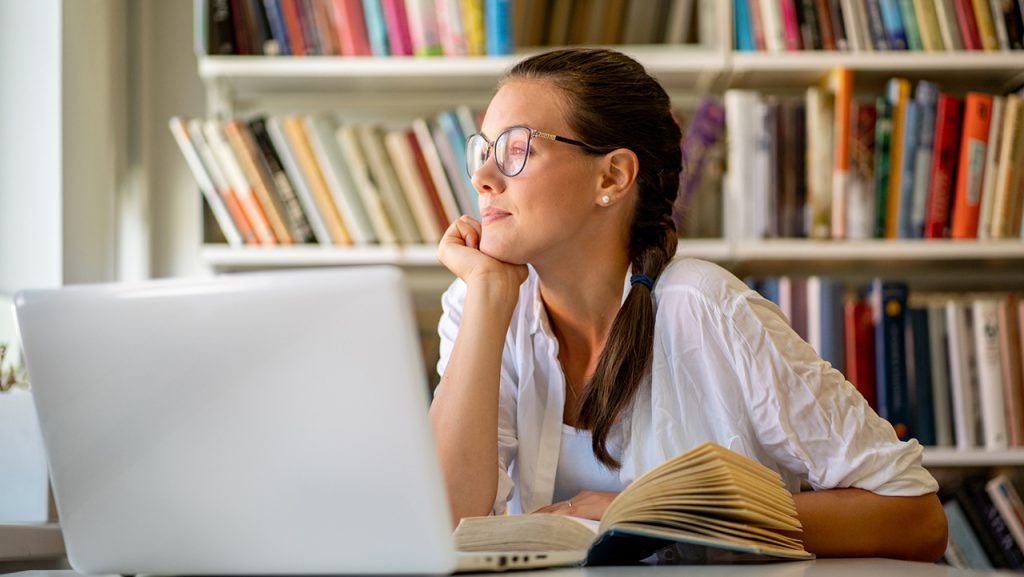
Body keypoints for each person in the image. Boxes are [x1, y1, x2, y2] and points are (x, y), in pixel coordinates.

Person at [429, 47, 947, 562]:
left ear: (611, 177)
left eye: (517, 148)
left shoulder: (705, 306)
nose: (483, 178)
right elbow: (441, 523)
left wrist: (644, 518)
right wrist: (489, 298)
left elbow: (915, 518)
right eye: (484, 151)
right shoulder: (480, 302)